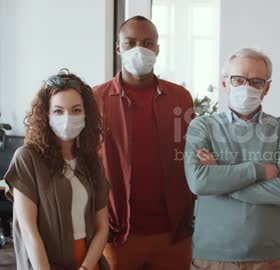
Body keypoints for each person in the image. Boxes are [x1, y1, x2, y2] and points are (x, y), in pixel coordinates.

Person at [184, 48, 280, 270]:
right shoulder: (202, 126)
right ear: (225, 83)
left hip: (267, 259)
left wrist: (221, 178)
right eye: (238, 79)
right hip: (211, 258)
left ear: (267, 88)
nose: (246, 87)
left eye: (256, 82)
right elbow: (199, 182)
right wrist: (258, 171)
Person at [93, 15, 195, 270]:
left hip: (173, 234)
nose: (139, 49)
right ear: (119, 48)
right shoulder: (96, 98)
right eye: (131, 42)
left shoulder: (180, 97)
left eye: (148, 42)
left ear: (158, 49)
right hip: (117, 234)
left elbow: (191, 155)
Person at [4, 70, 110, 270]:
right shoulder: (27, 158)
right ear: (46, 115)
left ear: (86, 113)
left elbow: (102, 227)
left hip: (88, 261)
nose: (67, 117)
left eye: (76, 110)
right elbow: (29, 231)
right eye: (58, 111)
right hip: (43, 263)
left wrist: (86, 267)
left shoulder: (91, 161)